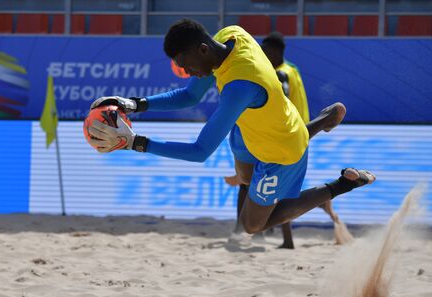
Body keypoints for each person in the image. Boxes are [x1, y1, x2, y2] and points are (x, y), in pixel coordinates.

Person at [87, 19, 375, 238]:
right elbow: (190, 96)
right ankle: (323, 121)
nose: (187, 74)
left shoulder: (239, 87)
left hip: (280, 152)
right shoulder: (230, 35)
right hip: (263, 128)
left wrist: (134, 142)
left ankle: (343, 183)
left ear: (201, 50)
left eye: (185, 66)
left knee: (253, 224)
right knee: (244, 175)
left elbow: (200, 152)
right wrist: (133, 104)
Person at [224, 31, 353, 249]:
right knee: (281, 189)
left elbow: (279, 99)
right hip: (298, 130)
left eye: (264, 51)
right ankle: (294, 233)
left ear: (273, 52)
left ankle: (245, 234)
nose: (261, 55)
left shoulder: (279, 74)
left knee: (259, 187)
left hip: (285, 134)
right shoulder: (292, 69)